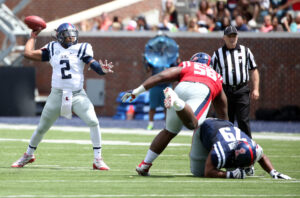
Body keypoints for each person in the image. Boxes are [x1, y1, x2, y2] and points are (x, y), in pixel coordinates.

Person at [11, 23, 114, 170]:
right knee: (42, 128)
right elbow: (28, 54)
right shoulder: (53, 48)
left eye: (73, 34)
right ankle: (28, 154)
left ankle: (98, 159)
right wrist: (32, 37)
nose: (71, 37)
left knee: (93, 122)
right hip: (57, 94)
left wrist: (102, 70)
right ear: (59, 37)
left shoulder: (82, 48)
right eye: (67, 35)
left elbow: (93, 63)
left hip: (77, 94)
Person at [121, 52, 228, 176]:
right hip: (201, 89)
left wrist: (136, 91)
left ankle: (145, 164)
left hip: (180, 88)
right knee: (194, 124)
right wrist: (226, 131)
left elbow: (160, 76)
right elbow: (223, 111)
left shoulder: (188, 65)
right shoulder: (215, 75)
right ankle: (178, 103)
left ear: (193, 60)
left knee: (169, 131)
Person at [190, 118, 291, 180]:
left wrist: (273, 172)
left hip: (225, 125)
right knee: (199, 172)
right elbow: (208, 172)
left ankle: (238, 167)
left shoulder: (252, 146)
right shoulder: (222, 150)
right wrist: (230, 175)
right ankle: (235, 167)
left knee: (237, 170)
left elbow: (261, 156)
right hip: (204, 127)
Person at [211, 25, 259, 139]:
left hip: (241, 90)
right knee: (227, 121)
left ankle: (248, 147)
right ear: (224, 38)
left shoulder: (245, 51)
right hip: (225, 91)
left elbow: (253, 70)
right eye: (229, 36)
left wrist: (256, 88)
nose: (232, 39)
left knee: (243, 120)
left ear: (237, 37)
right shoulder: (217, 54)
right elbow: (212, 74)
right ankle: (228, 148)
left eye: (234, 36)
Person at [143, 34, 179, 130]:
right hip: (155, 85)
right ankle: (150, 124)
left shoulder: (170, 57)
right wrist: (146, 61)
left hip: (167, 85)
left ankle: (167, 124)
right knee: (152, 106)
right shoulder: (153, 57)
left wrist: (178, 61)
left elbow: (176, 69)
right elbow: (147, 70)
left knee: (167, 106)